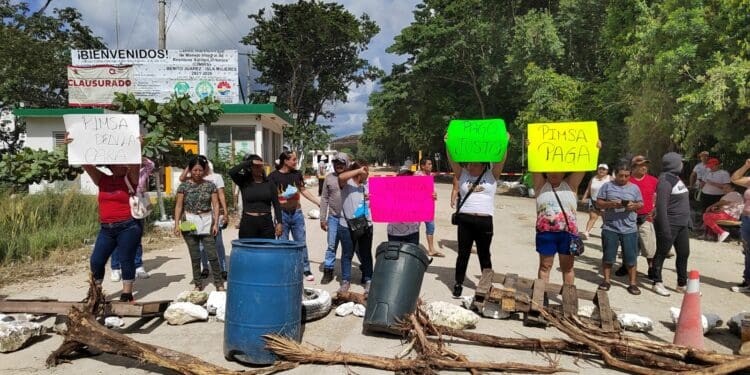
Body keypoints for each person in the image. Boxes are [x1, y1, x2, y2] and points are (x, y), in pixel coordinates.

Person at [64, 132, 142, 302]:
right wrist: (73, 144)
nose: (123, 166)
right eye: (118, 163)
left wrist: (137, 146)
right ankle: (95, 292)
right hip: (106, 228)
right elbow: (86, 164)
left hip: (128, 226)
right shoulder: (102, 179)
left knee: (126, 259)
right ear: (111, 165)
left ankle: (127, 294)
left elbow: (136, 164)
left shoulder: (131, 179)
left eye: (125, 163)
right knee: (96, 261)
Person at [446, 134, 508, 298]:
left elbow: (501, 160)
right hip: (465, 220)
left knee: (484, 254)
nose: (470, 165)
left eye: (474, 163)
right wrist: (447, 144)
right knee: (463, 253)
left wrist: (505, 143)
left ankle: (486, 285)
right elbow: (452, 160)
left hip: (484, 220)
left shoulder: (491, 175)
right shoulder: (463, 174)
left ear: (483, 164)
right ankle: (458, 283)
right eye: (469, 162)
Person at [268, 151, 321, 281]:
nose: (295, 162)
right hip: (282, 216)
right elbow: (271, 196)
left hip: (297, 214)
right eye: (293, 160)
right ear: (285, 161)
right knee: (283, 244)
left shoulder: (297, 174)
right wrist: (282, 199)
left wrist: (318, 202)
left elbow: (303, 190)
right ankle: (285, 270)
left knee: (301, 243)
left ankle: (306, 269)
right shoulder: (273, 176)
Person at [173, 156, 224, 292]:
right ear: (190, 170)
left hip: (207, 220)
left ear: (204, 170)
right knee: (194, 255)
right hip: (188, 221)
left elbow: (216, 205)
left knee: (212, 254)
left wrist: (215, 223)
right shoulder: (183, 186)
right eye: (194, 170)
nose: (197, 173)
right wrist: (177, 224)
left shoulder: (210, 185)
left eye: (200, 170)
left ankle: (219, 283)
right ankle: (198, 283)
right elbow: (178, 206)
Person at [596, 161, 644, 295]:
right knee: (608, 256)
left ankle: (632, 283)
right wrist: (611, 204)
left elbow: (641, 204)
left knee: (630, 257)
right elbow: (598, 203)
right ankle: (606, 280)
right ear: (615, 174)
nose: (623, 178)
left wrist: (633, 206)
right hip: (610, 227)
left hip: (629, 228)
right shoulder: (607, 186)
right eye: (621, 175)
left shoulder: (634, 188)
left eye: (626, 176)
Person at [652, 152, 691, 296]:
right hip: (670, 224)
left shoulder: (676, 178)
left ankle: (681, 284)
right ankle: (657, 282)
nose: (683, 164)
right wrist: (665, 229)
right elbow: (661, 207)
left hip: (682, 224)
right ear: (674, 164)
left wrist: (689, 220)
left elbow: (683, 201)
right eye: (681, 162)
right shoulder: (665, 181)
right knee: (662, 253)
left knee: (684, 253)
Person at [110, 156, 153, 281]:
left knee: (136, 238)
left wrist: (138, 155)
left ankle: (138, 265)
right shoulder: (118, 174)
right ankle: (115, 268)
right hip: (122, 207)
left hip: (137, 209)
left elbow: (150, 165)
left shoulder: (141, 173)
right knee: (117, 240)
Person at [616, 155, 659, 280]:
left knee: (649, 245)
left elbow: (659, 195)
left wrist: (655, 207)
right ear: (633, 167)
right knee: (627, 243)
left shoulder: (653, 180)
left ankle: (651, 268)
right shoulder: (626, 180)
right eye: (641, 165)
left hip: (646, 217)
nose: (644, 167)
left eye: (646, 165)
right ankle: (626, 265)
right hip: (627, 217)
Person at [338, 161, 374, 295]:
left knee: (366, 254)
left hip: (366, 225)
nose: (368, 174)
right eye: (366, 171)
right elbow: (341, 177)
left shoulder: (369, 185)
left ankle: (368, 279)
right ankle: (346, 280)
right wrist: (358, 171)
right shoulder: (347, 183)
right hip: (346, 225)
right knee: (347, 254)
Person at [228, 154, 282, 239]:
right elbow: (231, 172)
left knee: (267, 250)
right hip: (248, 222)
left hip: (266, 222)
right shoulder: (244, 181)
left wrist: (279, 222)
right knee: (248, 250)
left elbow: (276, 204)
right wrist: (249, 162)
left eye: (260, 166)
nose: (259, 169)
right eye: (255, 166)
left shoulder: (269, 183)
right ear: (250, 168)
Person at [319, 153, 351, 285]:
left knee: (352, 247)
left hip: (350, 219)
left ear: (347, 164)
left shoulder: (352, 178)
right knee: (331, 245)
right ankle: (328, 270)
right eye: (336, 162)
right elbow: (324, 198)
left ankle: (364, 270)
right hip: (333, 218)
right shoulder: (329, 178)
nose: (339, 165)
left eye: (342, 163)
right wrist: (322, 218)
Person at [415, 158, 444, 257]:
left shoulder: (429, 176)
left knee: (430, 227)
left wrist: (433, 195)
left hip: (427, 205)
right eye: (429, 164)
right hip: (418, 206)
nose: (431, 166)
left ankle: (431, 249)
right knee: (415, 227)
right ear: (423, 166)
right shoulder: (417, 176)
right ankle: (413, 248)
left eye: (431, 164)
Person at [730, 159, 750, 293]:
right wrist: (746, 166)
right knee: (747, 251)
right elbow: (735, 178)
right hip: (746, 218)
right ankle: (747, 281)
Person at [386, 168, 421, 245]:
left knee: (411, 256)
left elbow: (424, 207)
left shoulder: (417, 193)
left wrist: (430, 197)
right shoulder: (390, 193)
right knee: (395, 256)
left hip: (412, 232)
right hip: (394, 233)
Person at [580, 164, 612, 239]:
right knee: (592, 217)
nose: (601, 170)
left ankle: (608, 233)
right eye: (600, 169)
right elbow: (588, 189)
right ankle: (586, 232)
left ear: (607, 171)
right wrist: (584, 198)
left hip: (605, 201)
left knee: (605, 218)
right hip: (593, 200)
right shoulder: (593, 178)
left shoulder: (610, 178)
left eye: (604, 169)